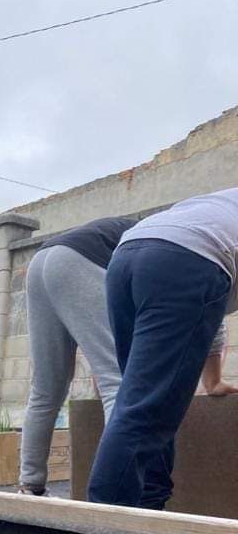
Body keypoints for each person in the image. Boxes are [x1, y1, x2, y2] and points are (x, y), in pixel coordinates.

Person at [88, 188, 238, 510]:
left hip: (130, 255)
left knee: (145, 400)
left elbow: (210, 309)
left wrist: (212, 381)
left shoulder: (218, 208)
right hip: (189, 261)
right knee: (145, 411)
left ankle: (149, 512)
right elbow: (202, 269)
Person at [19, 216, 137, 495]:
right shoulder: (178, 247)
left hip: (40, 262)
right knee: (118, 383)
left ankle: (30, 483)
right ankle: (116, 493)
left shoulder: (152, 229)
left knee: (46, 389)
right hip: (78, 260)